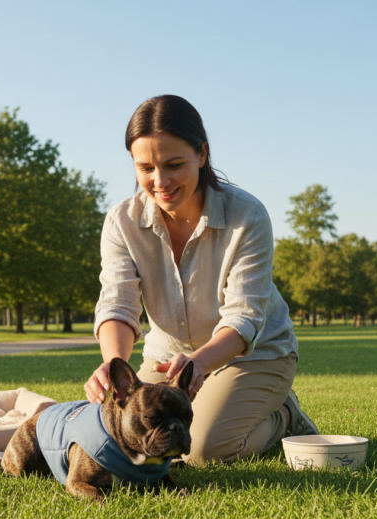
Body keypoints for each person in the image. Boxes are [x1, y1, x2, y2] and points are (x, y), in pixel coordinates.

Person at [83, 95, 319, 466]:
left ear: (203, 154)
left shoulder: (248, 216)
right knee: (121, 436)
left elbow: (244, 317)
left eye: (174, 164)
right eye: (145, 168)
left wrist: (198, 363)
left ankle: (284, 417)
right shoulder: (121, 222)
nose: (159, 181)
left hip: (255, 354)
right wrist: (116, 367)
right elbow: (118, 303)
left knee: (204, 452)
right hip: (168, 360)